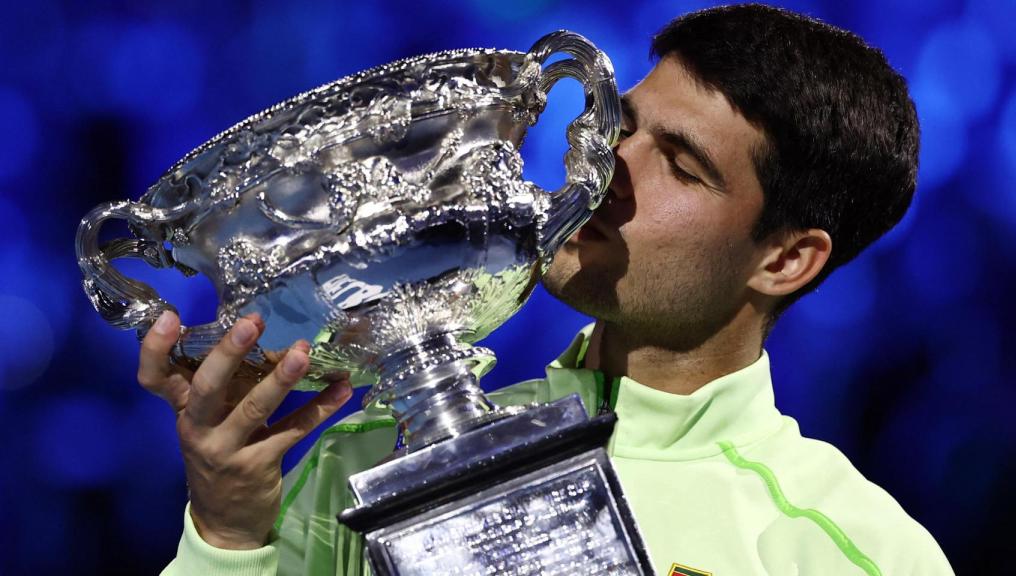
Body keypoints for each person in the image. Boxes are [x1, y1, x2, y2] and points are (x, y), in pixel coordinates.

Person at [137, 5, 954, 575]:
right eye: (622, 127)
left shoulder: (856, 551)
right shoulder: (373, 449)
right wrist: (226, 532)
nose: (606, 171)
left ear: (785, 260)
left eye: (681, 166)